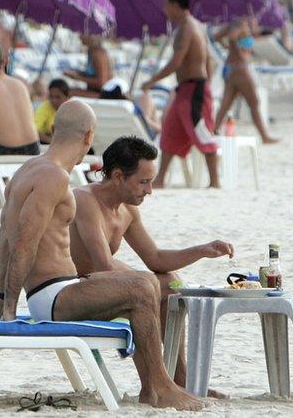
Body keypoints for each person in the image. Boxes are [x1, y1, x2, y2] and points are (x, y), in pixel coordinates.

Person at [0, 101, 203, 410]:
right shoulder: (55, 177)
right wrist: (9, 309)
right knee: (141, 287)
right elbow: (23, 242)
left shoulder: (27, 170)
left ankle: (162, 385)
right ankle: (158, 387)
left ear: (54, 130)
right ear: (89, 136)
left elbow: (1, 241)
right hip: (53, 295)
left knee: (147, 285)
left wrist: (0, 300)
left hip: (52, 291)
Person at [69, 135, 234, 398]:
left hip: (103, 287)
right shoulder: (84, 200)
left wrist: (202, 250)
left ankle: (181, 378)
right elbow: (102, 264)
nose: (149, 190)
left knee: (170, 282)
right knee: (149, 286)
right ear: (119, 176)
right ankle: (157, 385)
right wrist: (144, 281)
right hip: (75, 293)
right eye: (143, 182)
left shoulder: (127, 211)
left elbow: (154, 257)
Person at [142, 0, 220, 189]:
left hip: (194, 88)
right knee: (170, 131)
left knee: (201, 131)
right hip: (187, 89)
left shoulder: (187, 28)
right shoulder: (193, 26)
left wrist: (151, 81)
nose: (164, 10)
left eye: (166, 6)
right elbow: (209, 59)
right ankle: (159, 180)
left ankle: (215, 182)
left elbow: (176, 62)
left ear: (176, 6)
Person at [212, 18, 278, 144]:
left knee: (225, 105)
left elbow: (216, 37)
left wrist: (230, 46)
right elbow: (232, 37)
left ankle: (214, 131)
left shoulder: (233, 24)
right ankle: (264, 136)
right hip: (240, 69)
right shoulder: (240, 24)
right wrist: (236, 47)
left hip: (231, 69)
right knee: (254, 102)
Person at [34, 79, 70, 144]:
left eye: (58, 97)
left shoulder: (73, 109)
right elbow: (34, 130)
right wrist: (52, 142)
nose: (53, 100)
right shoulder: (44, 108)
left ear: (67, 97)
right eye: (51, 96)